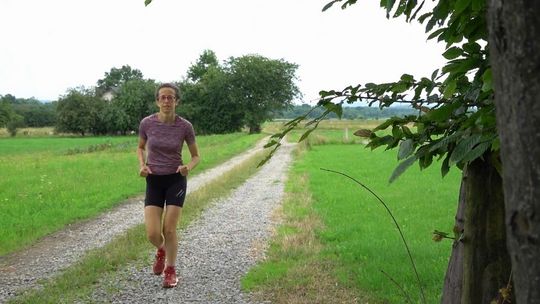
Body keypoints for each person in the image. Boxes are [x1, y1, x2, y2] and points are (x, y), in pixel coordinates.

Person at [136, 82, 200, 288]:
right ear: (157, 101)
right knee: (153, 234)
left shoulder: (185, 126)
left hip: (175, 179)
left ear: (176, 101)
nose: (166, 101)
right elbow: (140, 148)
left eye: (170, 97)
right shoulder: (147, 123)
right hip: (153, 180)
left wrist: (188, 167)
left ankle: (170, 271)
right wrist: (142, 165)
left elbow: (196, 156)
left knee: (169, 229)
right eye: (162, 97)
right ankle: (162, 250)